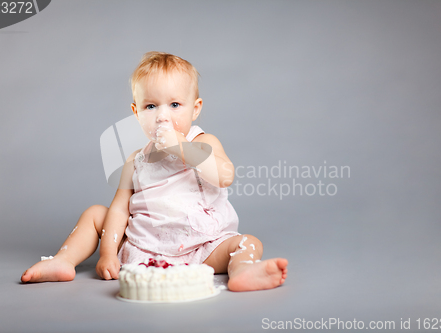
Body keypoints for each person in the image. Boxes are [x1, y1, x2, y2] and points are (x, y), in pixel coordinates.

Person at [21, 52, 288, 291]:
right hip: (143, 248)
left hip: (203, 248)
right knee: (95, 214)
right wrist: (108, 253)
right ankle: (63, 261)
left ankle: (241, 271)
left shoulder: (203, 143)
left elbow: (224, 175)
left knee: (246, 243)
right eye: (151, 106)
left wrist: (182, 147)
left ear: (195, 109)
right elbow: (119, 209)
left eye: (174, 105)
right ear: (136, 113)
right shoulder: (137, 159)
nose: (162, 116)